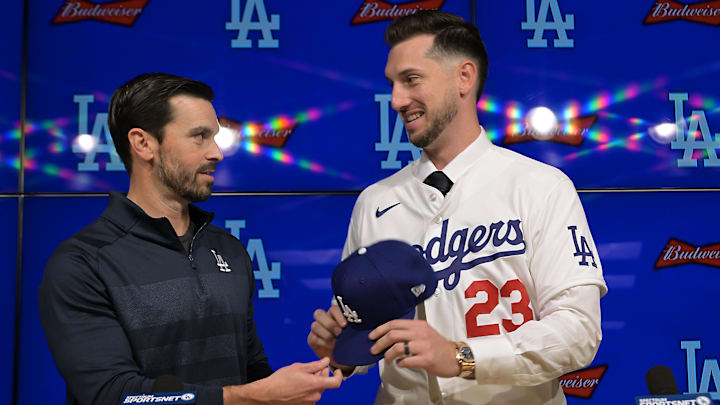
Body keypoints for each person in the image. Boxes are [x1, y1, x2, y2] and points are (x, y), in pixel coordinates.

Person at [307, 11, 607, 405]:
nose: (396, 100)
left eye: (411, 79)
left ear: (464, 77)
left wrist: (463, 357)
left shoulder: (541, 187)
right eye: (392, 84)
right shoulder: (375, 202)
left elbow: (578, 330)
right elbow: (366, 330)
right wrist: (342, 347)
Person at [39, 72, 342, 405]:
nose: (217, 153)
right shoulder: (82, 262)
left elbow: (251, 373)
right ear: (143, 143)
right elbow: (110, 394)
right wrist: (246, 397)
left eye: (215, 136)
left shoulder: (229, 250)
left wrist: (290, 388)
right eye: (200, 136)